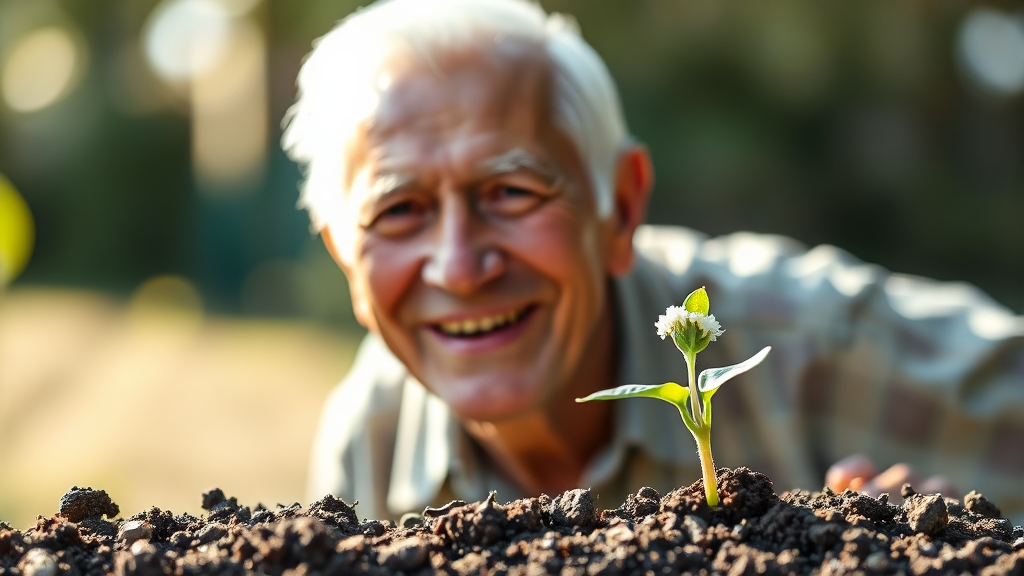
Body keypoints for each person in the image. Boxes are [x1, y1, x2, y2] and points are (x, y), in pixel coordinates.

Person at [282, 0, 1024, 524]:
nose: (459, 266)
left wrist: (955, 542)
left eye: (510, 192)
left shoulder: (815, 349)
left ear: (622, 208)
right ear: (342, 253)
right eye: (399, 210)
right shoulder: (374, 445)